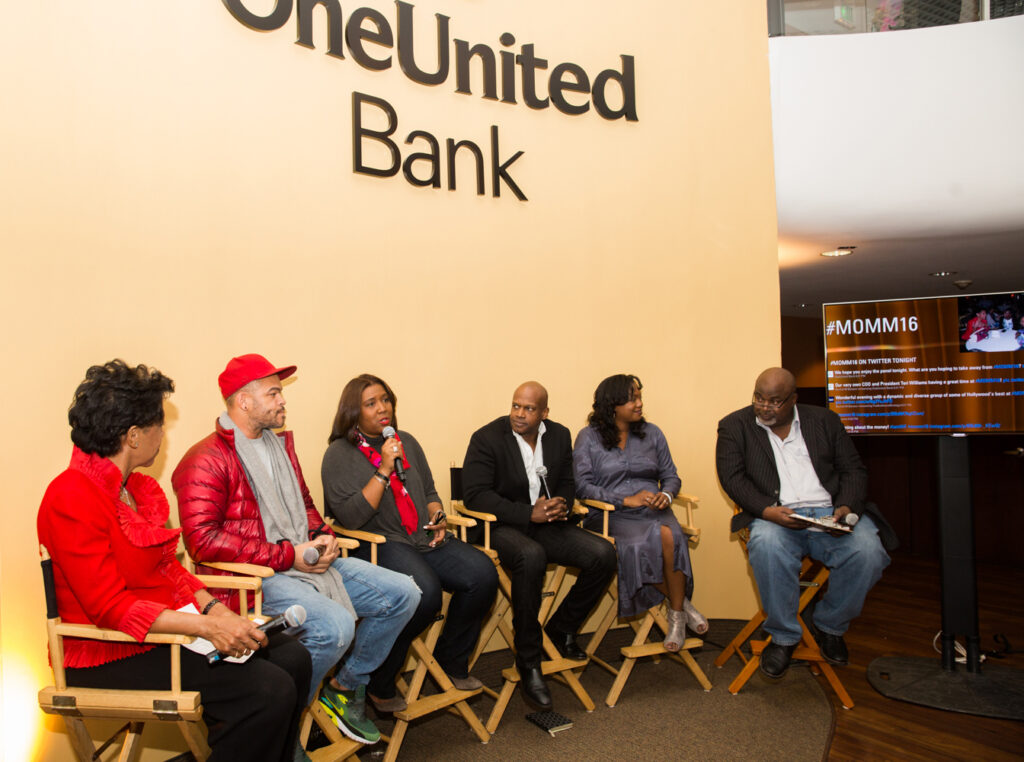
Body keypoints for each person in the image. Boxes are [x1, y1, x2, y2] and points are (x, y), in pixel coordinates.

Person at [37, 360, 311, 762]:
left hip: (160, 634)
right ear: (133, 436)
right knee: (267, 691)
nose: (162, 436)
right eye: (158, 426)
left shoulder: (134, 489)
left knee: (293, 657)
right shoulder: (71, 496)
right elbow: (110, 608)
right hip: (107, 652)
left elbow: (168, 567)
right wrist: (206, 626)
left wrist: (214, 609)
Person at [172, 354, 419, 745]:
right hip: (253, 580)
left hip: (301, 562)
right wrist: (289, 554)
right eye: (273, 393)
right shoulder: (204, 460)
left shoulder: (279, 446)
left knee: (404, 593)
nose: (282, 401)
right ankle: (283, 729)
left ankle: (344, 687)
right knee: (334, 626)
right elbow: (202, 542)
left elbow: (304, 505)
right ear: (244, 401)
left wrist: (322, 537)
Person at [321, 374, 498, 710]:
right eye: (371, 403)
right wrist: (384, 469)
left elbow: (429, 491)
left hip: (423, 536)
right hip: (380, 543)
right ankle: (379, 679)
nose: (382, 408)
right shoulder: (338, 455)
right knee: (424, 593)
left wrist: (437, 515)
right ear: (352, 412)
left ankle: (450, 661)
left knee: (483, 574)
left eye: (385, 399)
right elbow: (352, 517)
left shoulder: (407, 441)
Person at [715, 367, 896, 679]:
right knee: (766, 545)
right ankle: (784, 636)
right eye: (759, 398)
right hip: (776, 515)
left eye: (774, 401)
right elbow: (733, 479)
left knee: (869, 552)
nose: (764, 407)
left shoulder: (824, 421)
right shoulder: (735, 425)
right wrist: (767, 511)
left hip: (829, 513)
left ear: (793, 400)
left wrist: (846, 505)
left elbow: (853, 470)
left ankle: (829, 626)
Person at [461, 381, 617, 710]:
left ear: (544, 412)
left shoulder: (558, 435)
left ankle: (561, 630)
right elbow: (475, 494)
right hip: (502, 526)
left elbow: (568, 482)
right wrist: (527, 512)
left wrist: (561, 503)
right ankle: (529, 661)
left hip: (547, 524)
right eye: (516, 405)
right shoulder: (487, 438)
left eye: (529, 409)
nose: (519, 413)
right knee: (531, 557)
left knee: (603, 554)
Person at [573, 374, 706, 651]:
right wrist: (625, 499)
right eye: (632, 398)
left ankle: (677, 616)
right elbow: (582, 486)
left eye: (639, 396)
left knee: (670, 534)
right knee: (644, 542)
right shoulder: (588, 438)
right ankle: (681, 608)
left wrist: (666, 495)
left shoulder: (653, 433)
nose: (639, 403)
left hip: (653, 510)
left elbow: (671, 475)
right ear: (612, 404)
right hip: (610, 515)